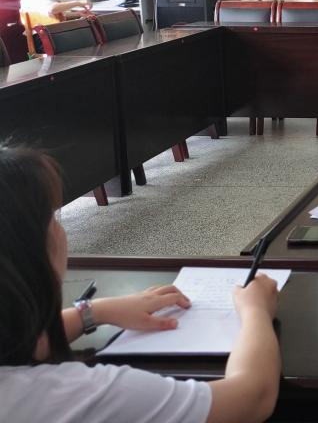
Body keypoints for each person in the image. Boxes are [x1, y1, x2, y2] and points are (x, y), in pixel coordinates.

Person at [0, 146, 281, 423]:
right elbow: (253, 398)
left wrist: (92, 312)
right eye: (52, 218)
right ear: (28, 257)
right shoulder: (77, 395)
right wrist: (255, 311)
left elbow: (24, 344)